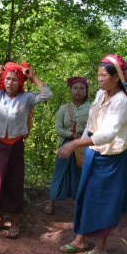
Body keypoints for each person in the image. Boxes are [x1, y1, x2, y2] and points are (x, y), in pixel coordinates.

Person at [57, 54, 127, 254]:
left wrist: (75, 144)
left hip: (111, 159)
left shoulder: (122, 102)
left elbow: (109, 135)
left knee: (104, 202)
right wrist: (80, 146)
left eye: (103, 75)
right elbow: (91, 126)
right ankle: (80, 239)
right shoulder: (101, 95)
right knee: (85, 196)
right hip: (93, 153)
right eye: (98, 75)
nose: (99, 79)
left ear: (115, 77)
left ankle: (101, 246)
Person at [0, 62, 53, 238]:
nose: (10, 82)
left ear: (20, 82)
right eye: (7, 78)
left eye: (14, 80)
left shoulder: (27, 98)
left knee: (14, 182)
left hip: (16, 144)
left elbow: (47, 94)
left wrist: (33, 77)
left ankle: (15, 222)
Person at [43, 77, 90, 215]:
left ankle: (79, 205)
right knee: (59, 172)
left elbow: (94, 127)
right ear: (70, 90)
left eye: (82, 88)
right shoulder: (64, 108)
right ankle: (51, 202)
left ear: (86, 92)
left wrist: (82, 138)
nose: (78, 91)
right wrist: (71, 135)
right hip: (65, 145)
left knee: (80, 174)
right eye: (75, 88)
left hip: (83, 146)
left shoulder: (92, 108)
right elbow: (58, 128)